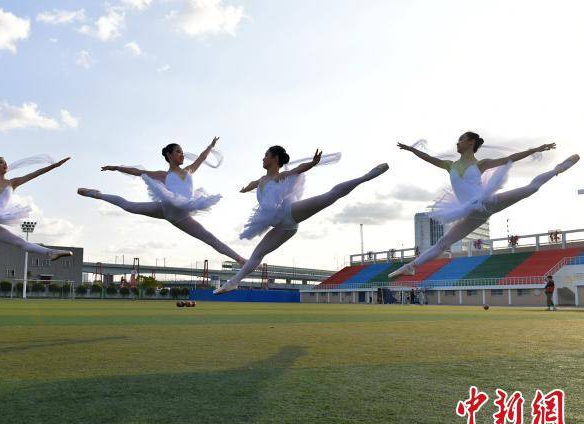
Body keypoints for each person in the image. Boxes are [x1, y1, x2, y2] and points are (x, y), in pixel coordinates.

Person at [389, 132, 579, 278]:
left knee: (531, 188)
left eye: (461, 139)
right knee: (443, 243)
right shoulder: (450, 165)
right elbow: (429, 159)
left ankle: (558, 169)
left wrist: (535, 150)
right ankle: (410, 267)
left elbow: (510, 159)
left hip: (486, 202)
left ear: (470, 142)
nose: (457, 142)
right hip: (471, 213)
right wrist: (411, 149)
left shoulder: (481, 164)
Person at [214, 146, 388, 294]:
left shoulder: (280, 176)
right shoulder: (261, 180)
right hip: (283, 227)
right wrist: (245, 189)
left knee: (328, 197)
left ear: (274, 158)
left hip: (289, 213)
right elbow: (254, 184)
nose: (263, 158)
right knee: (257, 254)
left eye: (266, 155)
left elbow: (299, 170)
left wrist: (313, 163)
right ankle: (233, 283)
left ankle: (367, 176)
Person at [78, 137, 246, 265]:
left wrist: (210, 146)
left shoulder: (189, 170)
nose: (182, 155)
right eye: (178, 152)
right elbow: (136, 171)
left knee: (209, 238)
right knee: (129, 206)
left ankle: (240, 260)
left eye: (182, 151)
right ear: (169, 155)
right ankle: (96, 194)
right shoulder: (162, 175)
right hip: (165, 208)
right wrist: (116, 167)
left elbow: (201, 158)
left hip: (181, 216)